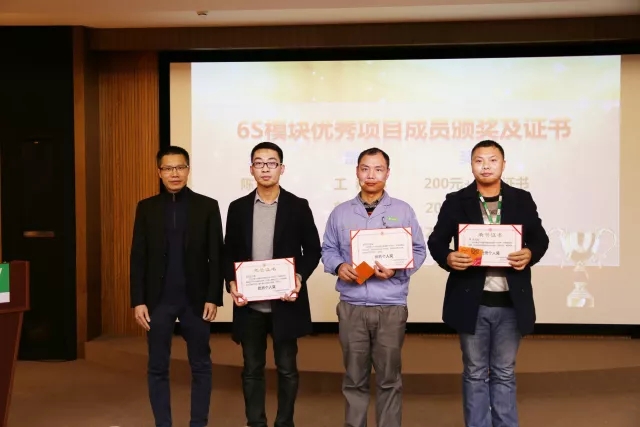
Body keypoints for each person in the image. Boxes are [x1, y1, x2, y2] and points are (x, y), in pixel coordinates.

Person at [427, 139, 549, 427]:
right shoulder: (456, 201)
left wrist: (530, 253)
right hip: (472, 302)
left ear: (503, 164)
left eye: (492, 160)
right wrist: (448, 257)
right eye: (479, 160)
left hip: (511, 303)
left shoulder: (521, 199)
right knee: (475, 372)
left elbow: (540, 239)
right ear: (471, 165)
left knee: (504, 372)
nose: (486, 166)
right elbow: (436, 242)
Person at [321, 147, 427, 427]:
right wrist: (338, 266)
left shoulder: (402, 211)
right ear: (357, 171)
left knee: (389, 379)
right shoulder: (341, 213)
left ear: (387, 173)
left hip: (390, 306)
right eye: (365, 168)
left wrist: (398, 268)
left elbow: (418, 250)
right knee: (354, 378)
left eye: (378, 169)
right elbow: (328, 249)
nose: (371, 175)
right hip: (352, 306)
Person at [224, 141, 322, 427]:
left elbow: (312, 250)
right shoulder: (238, 208)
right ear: (251, 169)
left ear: (282, 168)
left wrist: (298, 277)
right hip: (249, 306)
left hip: (285, 304)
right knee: (251, 370)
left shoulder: (298, 206)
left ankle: (284, 423)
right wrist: (231, 282)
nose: (265, 168)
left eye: (271, 163)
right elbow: (229, 252)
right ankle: (255, 423)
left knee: (287, 369)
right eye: (259, 163)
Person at [129, 145, 224, 427]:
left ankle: (198, 423)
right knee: (157, 366)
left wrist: (213, 296)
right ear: (159, 172)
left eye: (180, 167)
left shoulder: (207, 206)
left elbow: (216, 255)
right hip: (157, 301)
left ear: (188, 170)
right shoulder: (146, 208)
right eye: (168, 168)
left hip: (196, 300)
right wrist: (138, 300)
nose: (175, 173)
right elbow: (138, 257)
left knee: (201, 366)